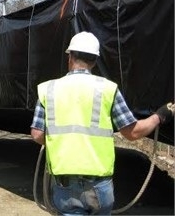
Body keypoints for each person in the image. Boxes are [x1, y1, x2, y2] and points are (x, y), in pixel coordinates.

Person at [30, 31, 174, 215]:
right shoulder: (108, 89)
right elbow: (133, 133)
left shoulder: (48, 89)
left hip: (64, 184)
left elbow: (37, 134)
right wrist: (160, 115)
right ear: (95, 61)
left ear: (70, 57)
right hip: (99, 186)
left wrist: (60, 141)